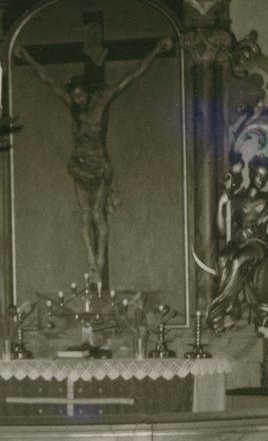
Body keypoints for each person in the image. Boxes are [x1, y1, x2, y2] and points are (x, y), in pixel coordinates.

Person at [15, 36, 174, 285]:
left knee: (98, 214)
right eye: (75, 96)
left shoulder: (103, 100)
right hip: (80, 165)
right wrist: (26, 57)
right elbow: (48, 80)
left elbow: (132, 76)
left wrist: (156, 50)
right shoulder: (72, 104)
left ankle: (99, 261)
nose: (78, 100)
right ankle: (91, 259)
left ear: (88, 93)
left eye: (81, 96)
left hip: (99, 165)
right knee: (85, 215)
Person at [206, 155, 268, 331]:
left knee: (238, 260)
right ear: (251, 173)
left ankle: (218, 311)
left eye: (264, 177)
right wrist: (222, 204)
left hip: (258, 243)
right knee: (222, 259)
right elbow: (222, 232)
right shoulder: (237, 200)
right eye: (259, 175)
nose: (261, 180)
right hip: (239, 240)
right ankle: (231, 307)